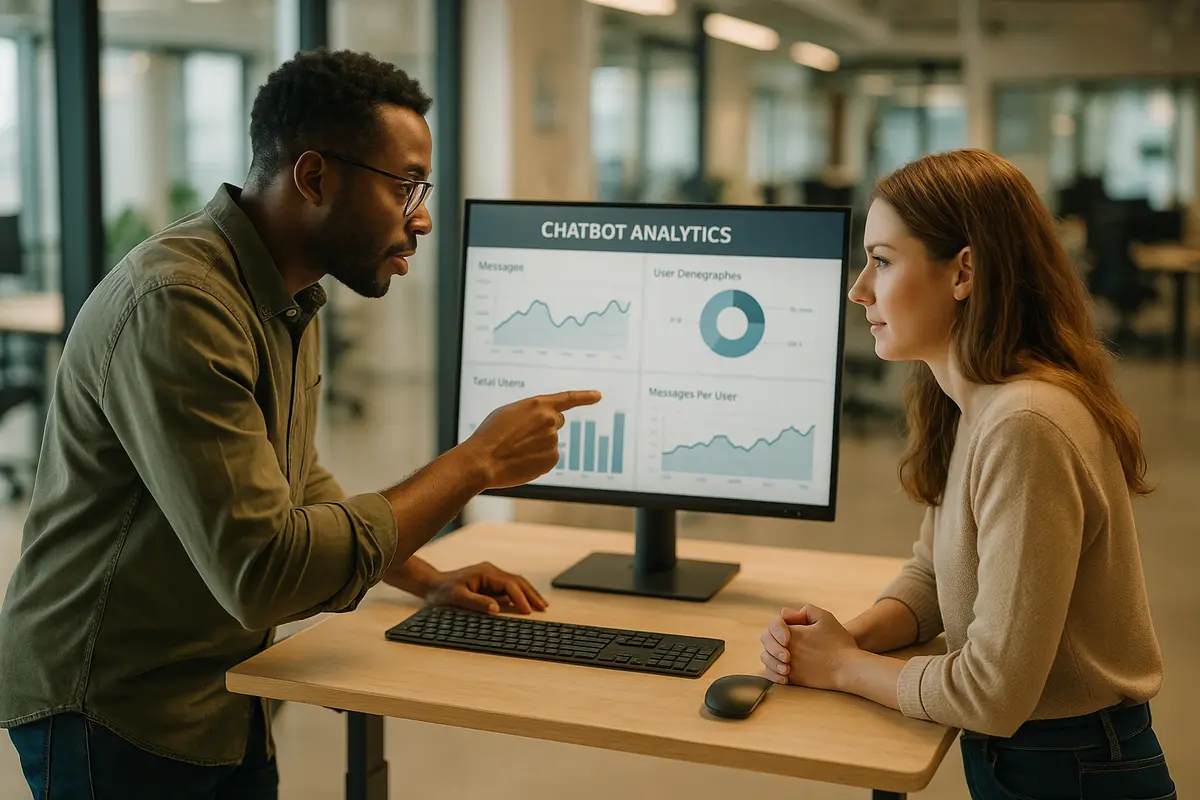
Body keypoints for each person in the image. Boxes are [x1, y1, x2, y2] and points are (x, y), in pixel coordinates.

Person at [0, 49, 600, 799]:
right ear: (314, 178)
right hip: (116, 706)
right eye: (405, 186)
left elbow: (296, 481)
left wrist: (422, 577)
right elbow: (263, 573)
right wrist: (472, 464)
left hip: (223, 689)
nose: (423, 216)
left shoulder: (285, 291)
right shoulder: (180, 304)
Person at [759, 149, 1175, 799]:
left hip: (1074, 766)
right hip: (1032, 756)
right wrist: (839, 637)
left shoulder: (1025, 425)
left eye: (883, 260)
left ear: (964, 272)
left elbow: (991, 691)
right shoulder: (974, 403)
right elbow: (933, 576)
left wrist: (843, 667)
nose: (858, 288)